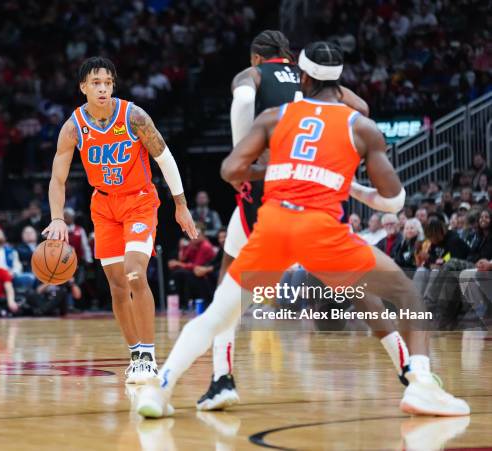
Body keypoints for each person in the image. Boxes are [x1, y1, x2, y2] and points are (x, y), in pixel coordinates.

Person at [137, 41, 469, 418]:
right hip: (322, 229)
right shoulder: (362, 127)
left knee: (217, 313)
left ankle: (160, 388)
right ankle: (420, 382)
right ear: (339, 83)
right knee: (407, 294)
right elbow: (393, 201)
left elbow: (230, 171)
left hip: (273, 222)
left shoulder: (276, 116)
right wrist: (350, 185)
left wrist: (278, 168)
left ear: (303, 77)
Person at [198, 30, 370, 411]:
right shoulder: (316, 80)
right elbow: (363, 108)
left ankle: (221, 378)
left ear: (257, 57)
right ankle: (413, 369)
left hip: (269, 188)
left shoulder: (254, 76)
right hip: (312, 189)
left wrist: (244, 156)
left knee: (228, 286)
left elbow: (242, 100)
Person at [42, 57, 196, 385]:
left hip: (139, 201)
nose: (103, 88)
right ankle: (136, 354)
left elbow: (164, 157)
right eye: (96, 82)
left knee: (135, 273)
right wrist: (57, 218)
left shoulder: (134, 117)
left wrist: (180, 205)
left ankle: (150, 356)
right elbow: (57, 179)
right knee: (116, 285)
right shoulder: (73, 127)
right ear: (83, 87)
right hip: (103, 207)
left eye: (108, 83)